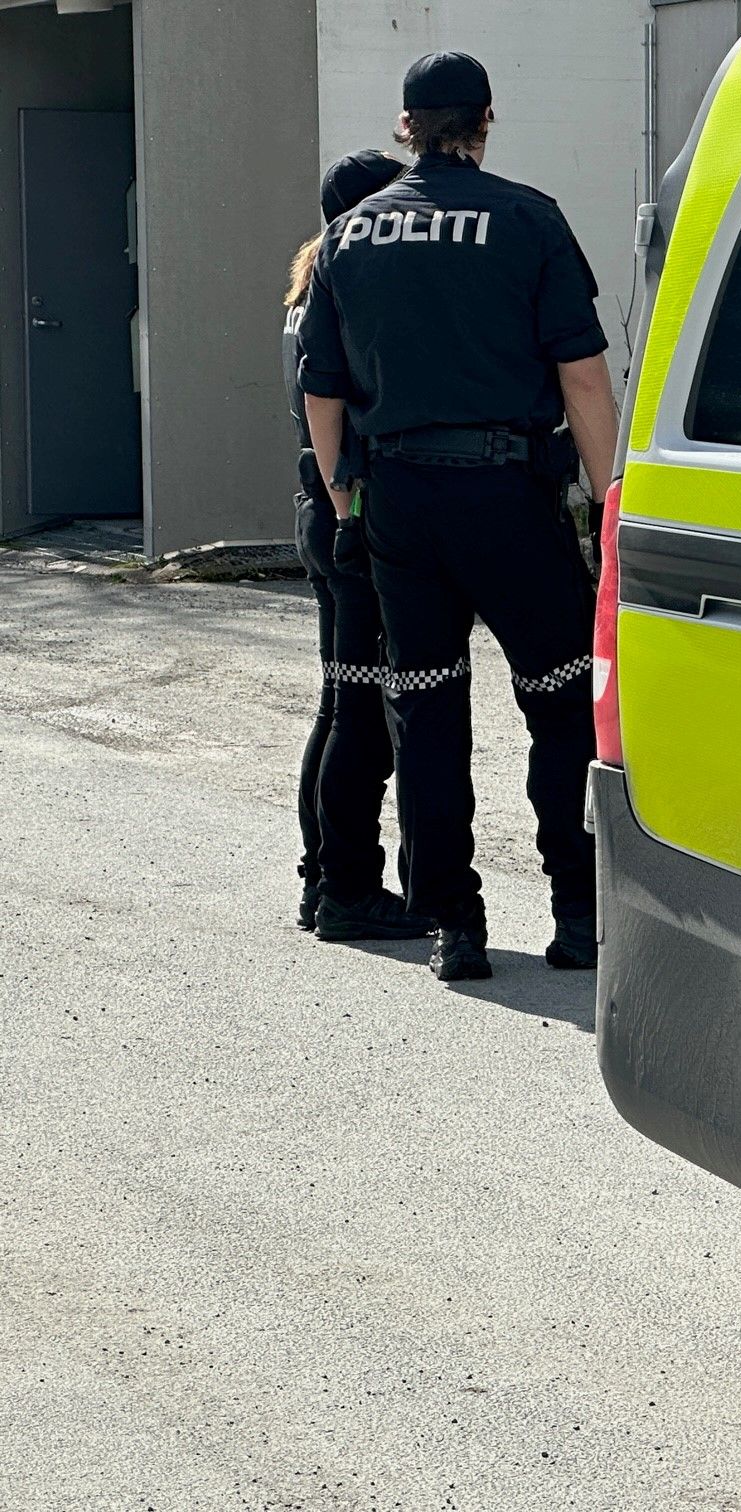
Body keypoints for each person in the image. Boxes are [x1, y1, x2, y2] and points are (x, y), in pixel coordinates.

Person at [297, 51, 620, 982]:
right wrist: (609, 509)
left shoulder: (350, 236)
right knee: (560, 703)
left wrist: (348, 505)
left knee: (428, 712)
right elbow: (582, 378)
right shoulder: (528, 219)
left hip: (401, 504)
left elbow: (323, 393)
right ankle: (579, 913)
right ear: (485, 120)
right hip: (506, 497)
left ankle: (455, 926)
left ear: (407, 127)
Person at [286, 149, 432, 944]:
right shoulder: (343, 293)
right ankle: (348, 889)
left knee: (340, 704)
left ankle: (323, 878)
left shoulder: (312, 285)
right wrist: (353, 516)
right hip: (353, 515)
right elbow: (336, 407)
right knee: (363, 718)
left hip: (323, 512)